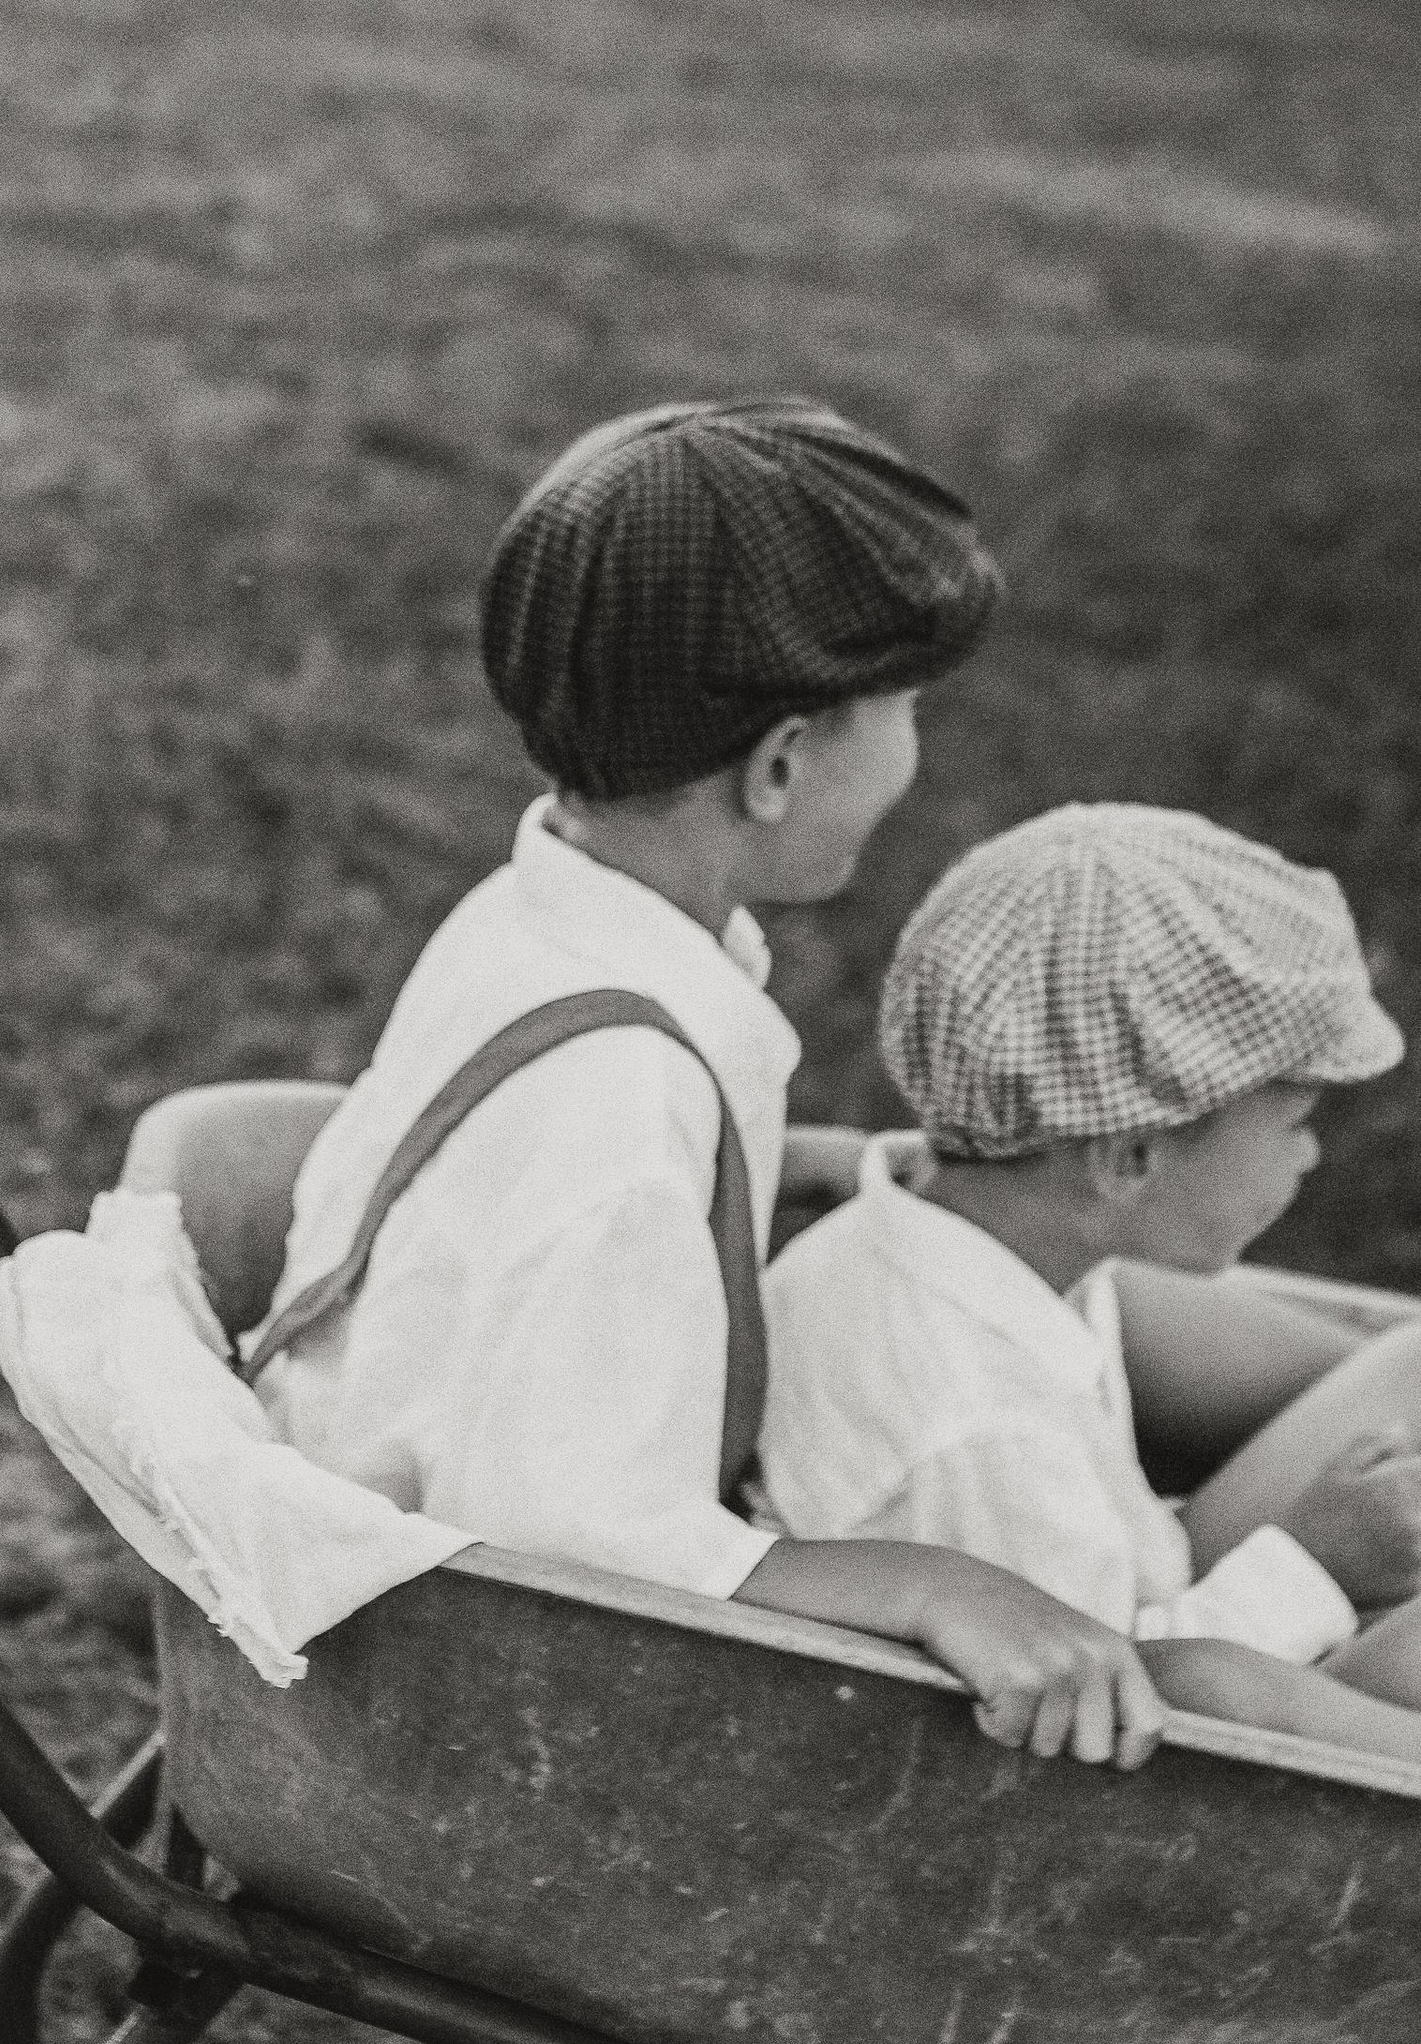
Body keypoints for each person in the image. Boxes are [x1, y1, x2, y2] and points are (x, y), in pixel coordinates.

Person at [252, 397, 1173, 1771]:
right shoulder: (618, 1114)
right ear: (783, 765)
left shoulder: (544, 921)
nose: (920, 753)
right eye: (908, 711)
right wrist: (938, 1587)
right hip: (460, 1708)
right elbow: (581, 1553)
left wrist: (775, 1164)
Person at [761, 803, 1421, 1765]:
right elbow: (1113, 1714)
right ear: (1131, 1158)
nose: (1314, 1153)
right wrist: (1314, 1567)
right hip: (1159, 1719)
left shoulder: (976, 1240)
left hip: (1149, 1586)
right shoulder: (980, 1435)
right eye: (1295, 1121)